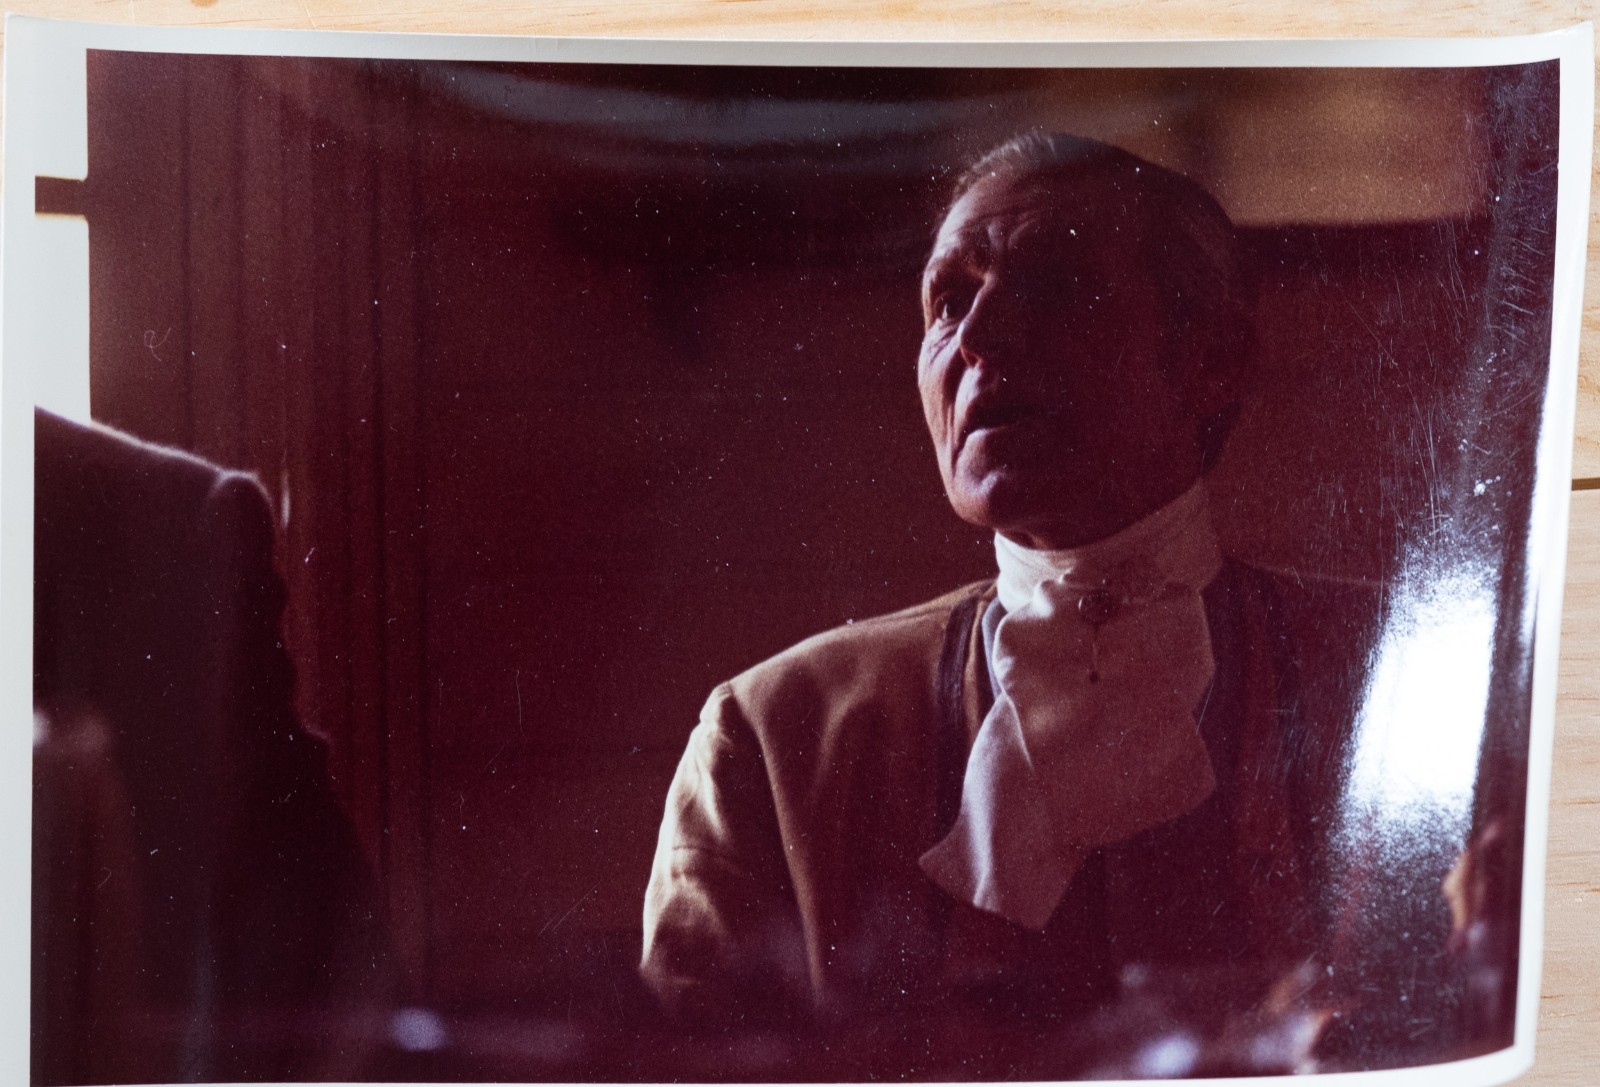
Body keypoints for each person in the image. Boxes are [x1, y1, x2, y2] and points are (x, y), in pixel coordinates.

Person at [639, 134, 1382, 1075]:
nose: (977, 338)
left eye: (1055, 288)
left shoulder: (1397, 671)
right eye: (949, 301)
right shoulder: (775, 735)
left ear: (1212, 361)